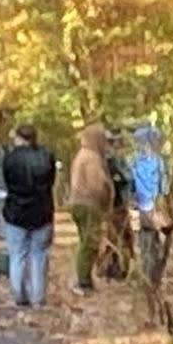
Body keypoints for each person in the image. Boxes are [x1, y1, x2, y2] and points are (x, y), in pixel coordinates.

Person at [0, 121, 58, 309]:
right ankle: (38, 297)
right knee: (39, 255)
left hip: (16, 211)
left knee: (17, 254)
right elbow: (51, 182)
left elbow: (7, 181)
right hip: (41, 211)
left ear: (18, 138)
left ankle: (19, 295)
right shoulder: (47, 156)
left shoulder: (10, 158)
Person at [67, 124, 118, 293]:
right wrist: (106, 198)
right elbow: (98, 184)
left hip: (80, 203)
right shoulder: (91, 158)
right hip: (89, 204)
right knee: (90, 242)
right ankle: (83, 282)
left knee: (86, 241)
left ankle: (85, 279)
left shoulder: (83, 155)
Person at [128, 124, 173, 290]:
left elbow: (130, 186)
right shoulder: (160, 163)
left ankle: (146, 276)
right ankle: (154, 276)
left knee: (143, 242)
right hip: (155, 207)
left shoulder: (133, 162)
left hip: (137, 209)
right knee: (159, 242)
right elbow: (166, 187)